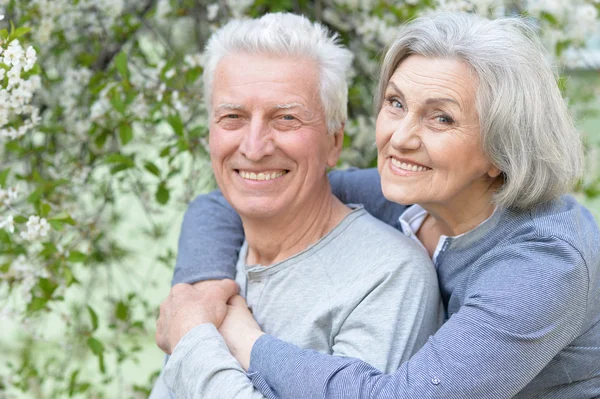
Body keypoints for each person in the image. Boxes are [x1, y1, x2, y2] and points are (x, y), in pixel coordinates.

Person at [155, 12, 600, 398]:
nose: (400, 137)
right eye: (396, 103)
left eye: (441, 117)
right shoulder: (409, 195)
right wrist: (206, 289)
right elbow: (230, 200)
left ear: (501, 149)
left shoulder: (545, 265)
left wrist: (238, 336)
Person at [152, 13, 442, 398]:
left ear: (334, 142)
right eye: (232, 117)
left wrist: (192, 337)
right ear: (210, 135)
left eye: (286, 118)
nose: (254, 147)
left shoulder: (387, 277)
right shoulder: (220, 261)